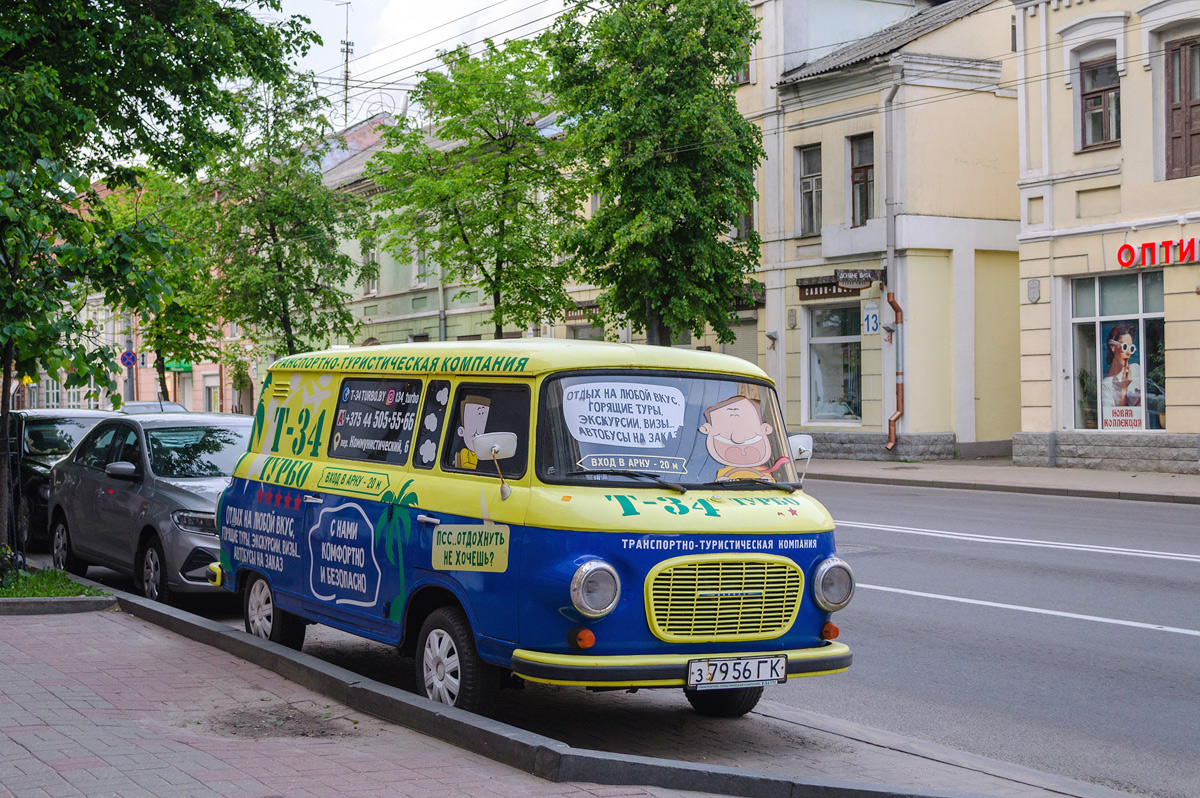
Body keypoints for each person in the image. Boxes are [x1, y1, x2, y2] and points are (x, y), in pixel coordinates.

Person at [698, 395, 785, 482]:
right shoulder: (718, 472)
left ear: (766, 429)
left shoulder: (765, 472)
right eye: (723, 437)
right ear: (706, 429)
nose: (738, 439)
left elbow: (773, 483)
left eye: (753, 437)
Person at [1101, 323, 1142, 410]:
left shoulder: (1136, 369)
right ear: (1113, 347)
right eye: (1124, 346)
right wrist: (1124, 389)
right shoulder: (1106, 385)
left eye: (1131, 348)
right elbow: (1116, 420)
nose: (1128, 352)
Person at [454, 395, 490, 469]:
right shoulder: (464, 451)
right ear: (461, 431)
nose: (478, 429)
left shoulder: (484, 454)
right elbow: (466, 466)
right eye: (472, 422)